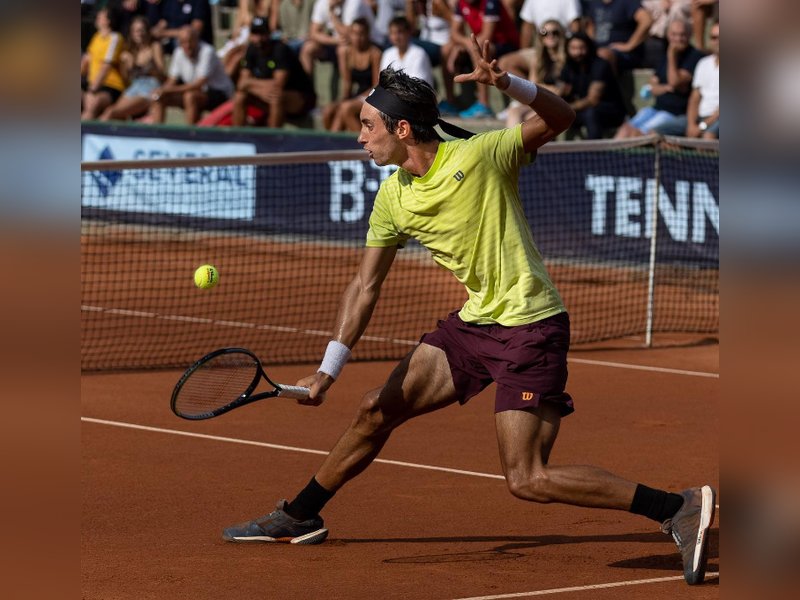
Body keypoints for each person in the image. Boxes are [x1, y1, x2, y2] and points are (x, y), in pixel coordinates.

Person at [221, 46, 717, 587]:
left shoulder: (481, 156)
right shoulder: (393, 196)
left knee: (528, 479)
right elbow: (365, 284)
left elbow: (562, 119)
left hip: (531, 324)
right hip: (475, 324)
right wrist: (327, 369)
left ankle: (678, 505)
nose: (359, 137)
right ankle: (299, 513)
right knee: (375, 410)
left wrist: (509, 84)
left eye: (367, 126)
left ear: (403, 128)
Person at [613, 18, 703, 138]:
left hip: (674, 114)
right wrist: (665, 88)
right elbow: (650, 87)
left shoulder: (695, 56)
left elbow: (674, 82)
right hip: (655, 109)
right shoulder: (664, 55)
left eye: (682, 35)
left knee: (638, 134)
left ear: (689, 35)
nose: (678, 39)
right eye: (674, 35)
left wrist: (672, 56)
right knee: (625, 129)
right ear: (668, 35)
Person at [226, 16, 317, 127]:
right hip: (266, 94)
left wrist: (251, 84)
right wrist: (257, 89)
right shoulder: (251, 49)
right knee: (240, 96)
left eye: (262, 34)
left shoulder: (280, 50)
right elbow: (242, 84)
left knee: (275, 97)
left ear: (269, 34)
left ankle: (273, 140)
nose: (258, 39)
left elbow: (277, 84)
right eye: (255, 34)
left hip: (300, 99)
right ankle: (238, 137)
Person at [442, 0, 520, 118]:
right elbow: (454, 32)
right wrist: (464, 43)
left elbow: (487, 35)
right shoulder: (461, 3)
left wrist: (466, 46)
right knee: (447, 49)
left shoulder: (491, 2)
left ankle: (484, 105)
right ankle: (450, 101)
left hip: (505, 45)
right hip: (482, 42)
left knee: (478, 49)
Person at [147, 25, 234, 124]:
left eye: (190, 41)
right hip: (196, 92)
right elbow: (171, 81)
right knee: (159, 97)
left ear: (197, 40)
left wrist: (167, 89)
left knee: (190, 97)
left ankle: (191, 134)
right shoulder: (179, 53)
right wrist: (160, 92)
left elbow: (198, 84)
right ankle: (157, 133)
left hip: (220, 93)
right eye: (183, 42)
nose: (187, 45)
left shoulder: (207, 51)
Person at [557, 31, 628, 139]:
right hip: (580, 110)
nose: (577, 52)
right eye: (573, 48)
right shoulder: (568, 67)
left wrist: (567, 108)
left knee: (591, 113)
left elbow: (592, 100)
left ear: (589, 48)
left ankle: (593, 152)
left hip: (610, 111)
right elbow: (562, 90)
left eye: (581, 48)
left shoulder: (600, 65)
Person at [100, 15, 167, 121]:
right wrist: (125, 65)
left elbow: (161, 73)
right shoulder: (131, 51)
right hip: (134, 87)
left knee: (112, 112)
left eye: (141, 30)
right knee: (110, 112)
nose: (139, 34)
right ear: (131, 33)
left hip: (149, 87)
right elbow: (126, 79)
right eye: (135, 31)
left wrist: (147, 66)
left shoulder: (154, 46)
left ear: (147, 31)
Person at [322, 18, 382, 131]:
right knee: (328, 111)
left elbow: (376, 85)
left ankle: (360, 144)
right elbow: (347, 82)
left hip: (371, 95)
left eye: (361, 34)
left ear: (367, 34)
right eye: (354, 34)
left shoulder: (375, 53)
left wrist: (355, 99)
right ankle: (333, 143)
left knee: (345, 109)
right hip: (356, 95)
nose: (358, 38)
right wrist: (344, 99)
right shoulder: (346, 52)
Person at [504, 19, 566, 127]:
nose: (550, 36)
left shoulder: (566, 58)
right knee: (513, 112)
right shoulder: (538, 58)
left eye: (554, 32)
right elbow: (532, 85)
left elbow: (560, 90)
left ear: (561, 35)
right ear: (540, 37)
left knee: (530, 118)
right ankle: (512, 144)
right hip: (542, 100)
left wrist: (540, 87)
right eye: (544, 33)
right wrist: (548, 88)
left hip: (560, 104)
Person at [81, 7, 127, 120]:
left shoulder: (115, 38)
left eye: (100, 17)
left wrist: (92, 90)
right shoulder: (96, 37)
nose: (97, 19)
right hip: (92, 84)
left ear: (108, 21)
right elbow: (86, 62)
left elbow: (106, 66)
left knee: (93, 103)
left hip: (111, 85)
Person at [584, 0, 653, 74]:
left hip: (624, 54)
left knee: (603, 55)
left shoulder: (628, 2)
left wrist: (629, 46)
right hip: (599, 49)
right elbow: (589, 25)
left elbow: (646, 21)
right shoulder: (593, 3)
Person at [683, 18, 718, 138]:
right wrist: (691, 124)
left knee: (708, 136)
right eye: (713, 37)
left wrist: (702, 126)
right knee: (657, 132)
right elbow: (694, 98)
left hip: (719, 119)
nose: (717, 41)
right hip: (700, 118)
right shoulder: (703, 63)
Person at [380, 16, 434, 87]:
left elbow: (417, 85)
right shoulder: (387, 54)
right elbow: (384, 81)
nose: (396, 37)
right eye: (392, 33)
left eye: (399, 32)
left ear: (408, 33)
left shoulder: (419, 53)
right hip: (394, 96)